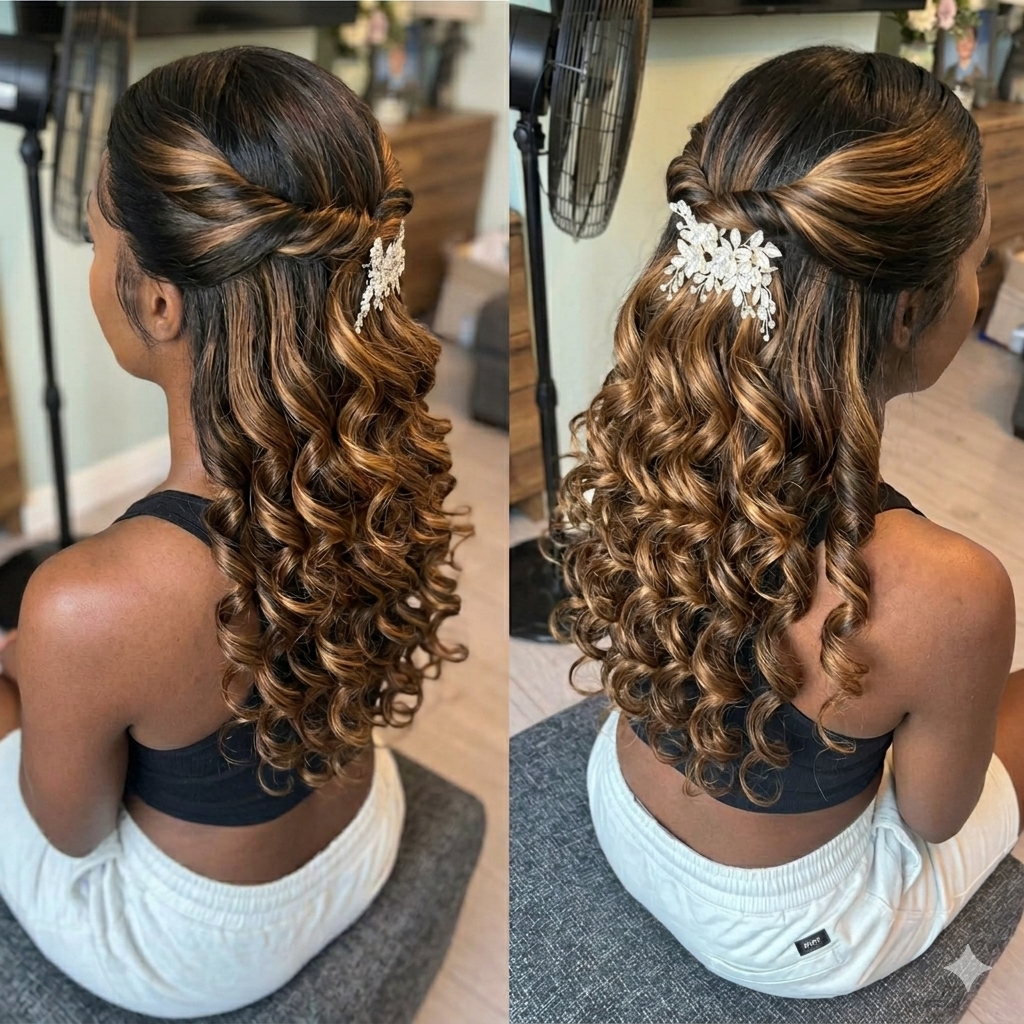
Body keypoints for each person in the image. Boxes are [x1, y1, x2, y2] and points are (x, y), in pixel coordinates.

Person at [0, 45, 466, 1018]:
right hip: (364, 836)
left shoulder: (90, 600)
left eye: (96, 241)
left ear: (158, 301)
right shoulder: (380, 461)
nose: (94, 269)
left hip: (202, 947)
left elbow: (72, 835)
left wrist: (35, 675)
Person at [551, 46, 1021, 999]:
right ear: (905, 315)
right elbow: (930, 820)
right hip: (778, 930)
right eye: (979, 259)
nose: (981, 282)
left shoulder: (647, 446)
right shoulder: (954, 590)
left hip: (618, 805)